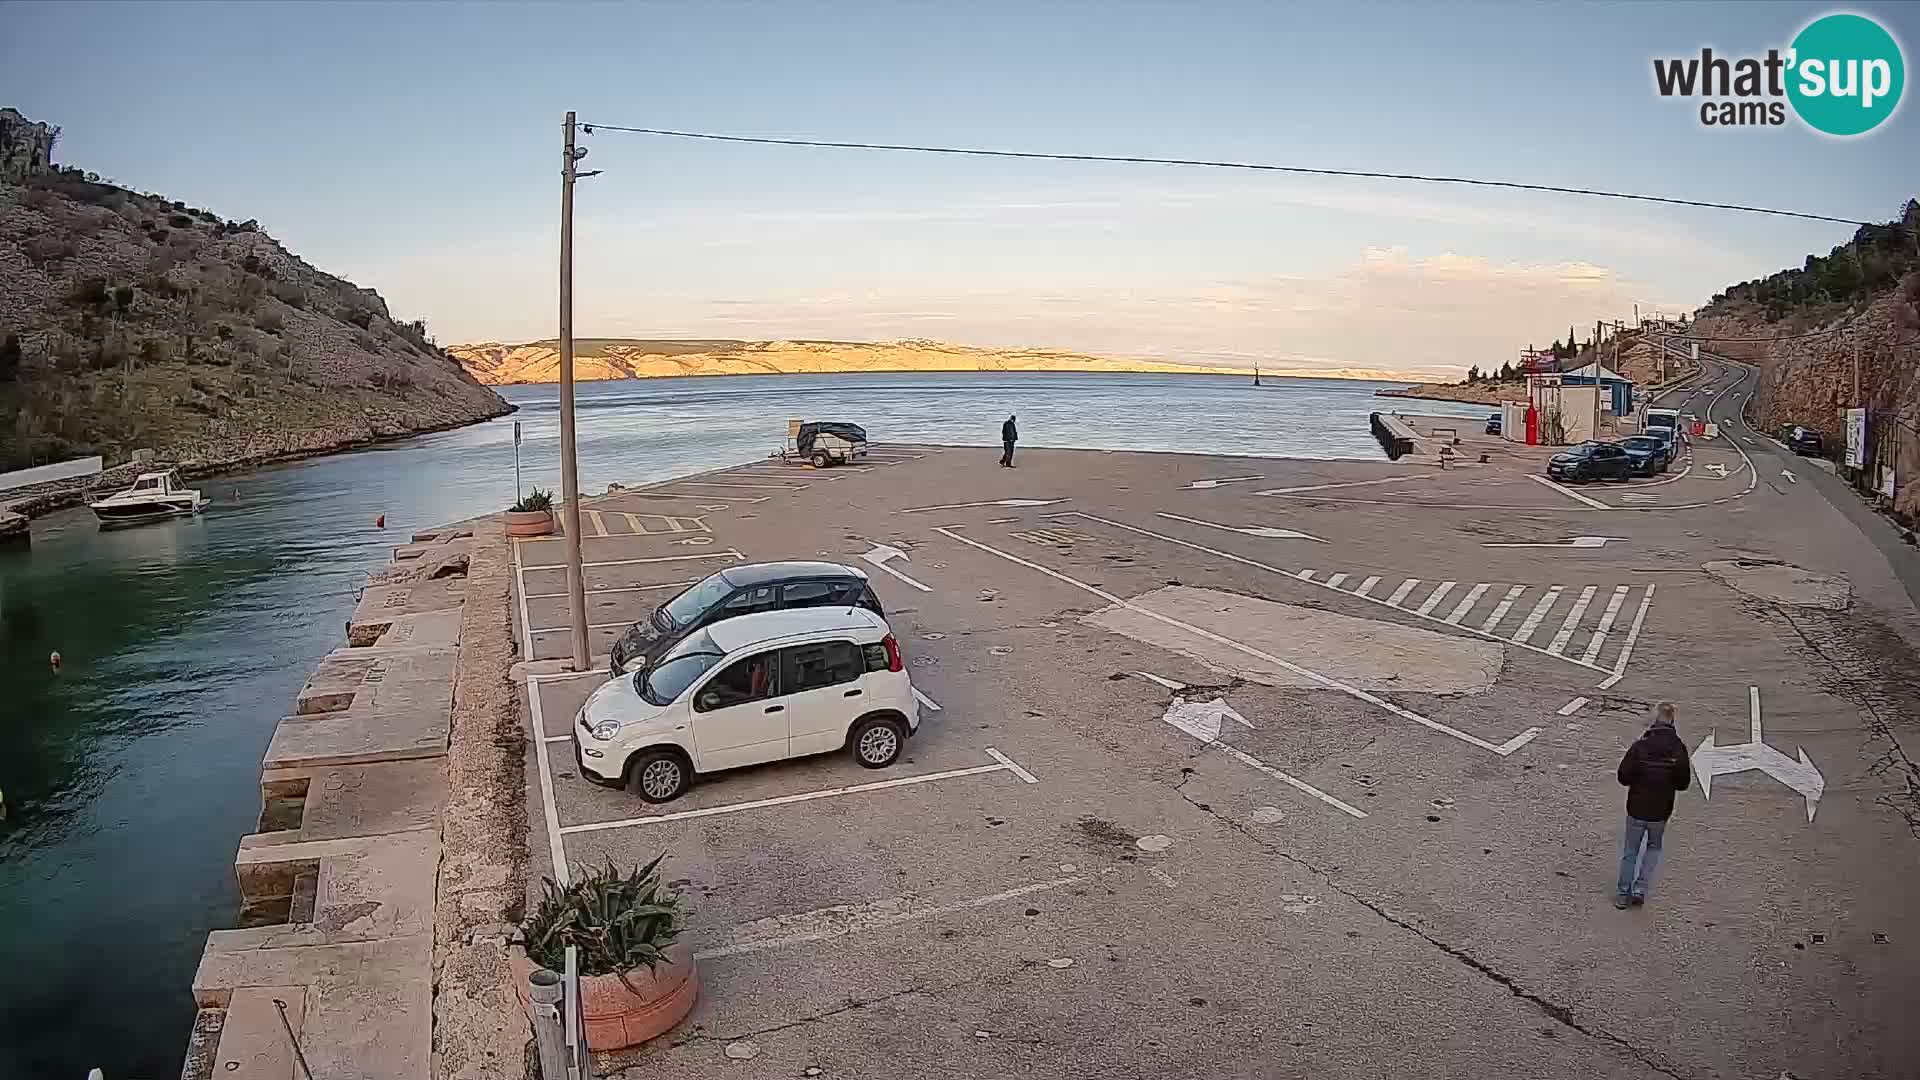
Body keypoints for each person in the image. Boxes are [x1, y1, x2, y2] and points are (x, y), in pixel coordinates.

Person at [1614, 703, 1692, 908]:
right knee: (1653, 848)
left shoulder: (1640, 746)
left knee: (1630, 850)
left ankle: (1623, 893)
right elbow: (1683, 783)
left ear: (1654, 720)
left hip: (1637, 807)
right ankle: (1640, 889)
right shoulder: (1678, 748)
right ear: (1672, 720)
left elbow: (1623, 776)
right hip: (1661, 810)